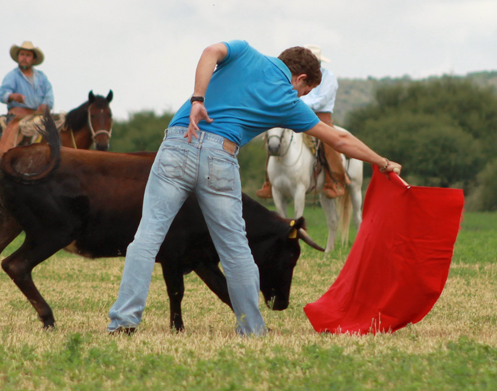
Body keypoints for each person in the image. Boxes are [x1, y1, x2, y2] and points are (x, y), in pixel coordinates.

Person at [107, 40, 401, 336]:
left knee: (146, 238)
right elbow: (339, 140)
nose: (300, 96)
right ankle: (251, 328)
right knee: (235, 249)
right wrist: (382, 162)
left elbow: (210, 51)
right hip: (219, 158)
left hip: (177, 142)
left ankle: (124, 322)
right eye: (305, 90)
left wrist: (198, 99)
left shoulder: (245, 53)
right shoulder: (287, 101)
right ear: (300, 79)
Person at [256, 44, 347, 199]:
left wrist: (298, 106)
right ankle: (269, 182)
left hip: (320, 116)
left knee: (329, 142)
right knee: (274, 137)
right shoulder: (298, 77)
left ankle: (334, 181)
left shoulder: (329, 78)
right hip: (296, 112)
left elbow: (321, 100)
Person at [0, 41, 54, 160]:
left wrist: (44, 105)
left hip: (38, 115)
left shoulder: (42, 77)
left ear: (33, 59)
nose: (24, 58)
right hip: (18, 115)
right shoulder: (12, 76)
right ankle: (2, 162)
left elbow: (49, 96)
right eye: (22, 54)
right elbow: (2, 94)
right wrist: (13, 96)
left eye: (28, 55)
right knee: (12, 134)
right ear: (18, 57)